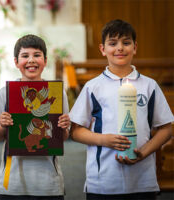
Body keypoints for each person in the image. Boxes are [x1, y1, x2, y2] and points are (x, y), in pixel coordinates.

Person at [69, 19, 174, 200]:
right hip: (103, 180)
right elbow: (76, 131)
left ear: (135, 47)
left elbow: (166, 128)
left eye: (126, 43)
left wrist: (145, 151)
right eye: (113, 43)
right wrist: (104, 139)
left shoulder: (149, 85)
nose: (120, 48)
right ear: (102, 49)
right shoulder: (93, 87)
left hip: (142, 179)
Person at [0, 34, 71, 200]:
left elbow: (62, 137)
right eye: (25, 56)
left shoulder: (56, 92)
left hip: (49, 183)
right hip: (12, 183)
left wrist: (63, 126)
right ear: (16, 62)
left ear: (45, 60)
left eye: (37, 55)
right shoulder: (6, 93)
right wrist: (3, 125)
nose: (31, 60)